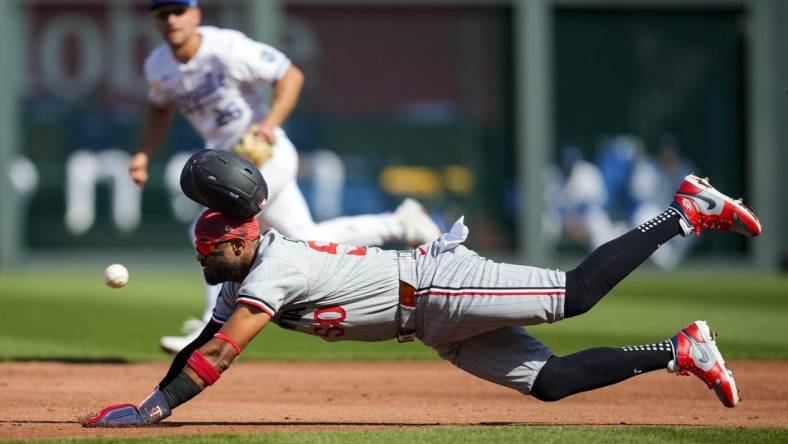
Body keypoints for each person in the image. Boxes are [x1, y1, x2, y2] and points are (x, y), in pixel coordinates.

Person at [83, 173, 761, 427]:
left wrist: (155, 414)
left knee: (577, 294)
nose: (204, 257)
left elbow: (222, 352)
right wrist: (151, 403)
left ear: (241, 240)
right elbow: (206, 340)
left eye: (212, 248)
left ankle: (684, 209)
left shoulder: (272, 271)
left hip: (437, 285)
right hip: (432, 323)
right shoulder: (245, 275)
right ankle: (680, 350)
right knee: (550, 383)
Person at [132, 0, 442, 352]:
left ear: (196, 14)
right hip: (230, 162)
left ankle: (208, 326)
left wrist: (268, 125)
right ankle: (400, 224)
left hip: (266, 157)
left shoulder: (227, 48)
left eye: (179, 10)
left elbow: (290, 75)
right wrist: (143, 153)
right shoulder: (158, 66)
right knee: (306, 241)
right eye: (163, 14)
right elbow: (160, 107)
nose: (172, 19)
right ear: (155, 22)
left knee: (209, 229)